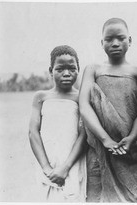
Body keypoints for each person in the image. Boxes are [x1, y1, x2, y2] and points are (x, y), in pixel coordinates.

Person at [79, 18, 137, 202]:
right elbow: (84, 105)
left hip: (131, 151)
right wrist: (105, 140)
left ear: (130, 40)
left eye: (120, 38)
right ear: (101, 42)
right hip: (99, 150)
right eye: (109, 39)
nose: (115, 43)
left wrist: (131, 138)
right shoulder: (93, 70)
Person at [28, 45, 87, 202]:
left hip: (72, 164)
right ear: (50, 70)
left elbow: (83, 135)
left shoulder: (82, 98)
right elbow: (33, 132)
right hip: (46, 165)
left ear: (78, 69)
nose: (66, 73)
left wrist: (65, 168)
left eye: (72, 68)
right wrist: (47, 168)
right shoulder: (41, 97)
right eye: (60, 69)